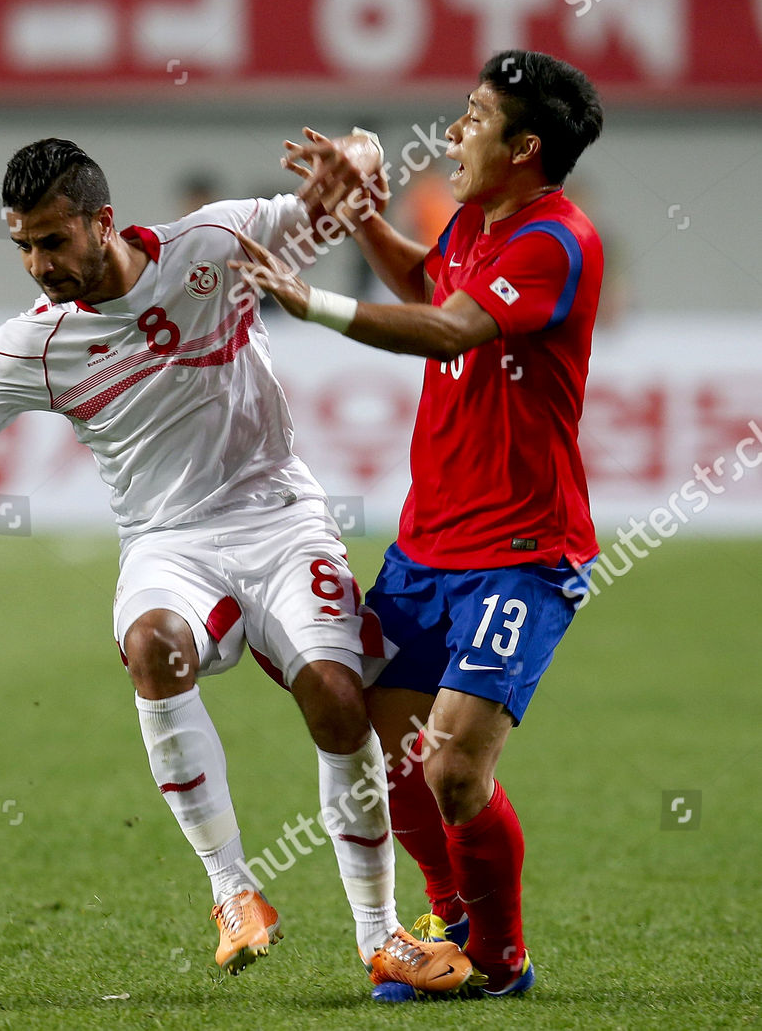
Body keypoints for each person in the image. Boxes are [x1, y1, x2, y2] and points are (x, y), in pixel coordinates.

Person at [0, 137, 471, 996]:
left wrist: (359, 151)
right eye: (24, 248)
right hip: (167, 540)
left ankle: (382, 933)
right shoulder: (33, 345)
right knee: (153, 644)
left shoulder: (215, 243)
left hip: (281, 519)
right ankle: (232, 890)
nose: (39, 265)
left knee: (339, 701)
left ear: (101, 222)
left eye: (52, 240)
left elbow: (350, 196)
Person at [229, 49, 605, 999]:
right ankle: (447, 920)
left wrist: (309, 299)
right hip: (428, 548)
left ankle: (504, 956)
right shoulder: (480, 221)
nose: (452, 131)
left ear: (525, 147)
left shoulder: (555, 242)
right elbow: (427, 288)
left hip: (521, 554)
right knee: (383, 747)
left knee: (453, 771)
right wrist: (356, 213)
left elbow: (452, 329)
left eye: (474, 117)